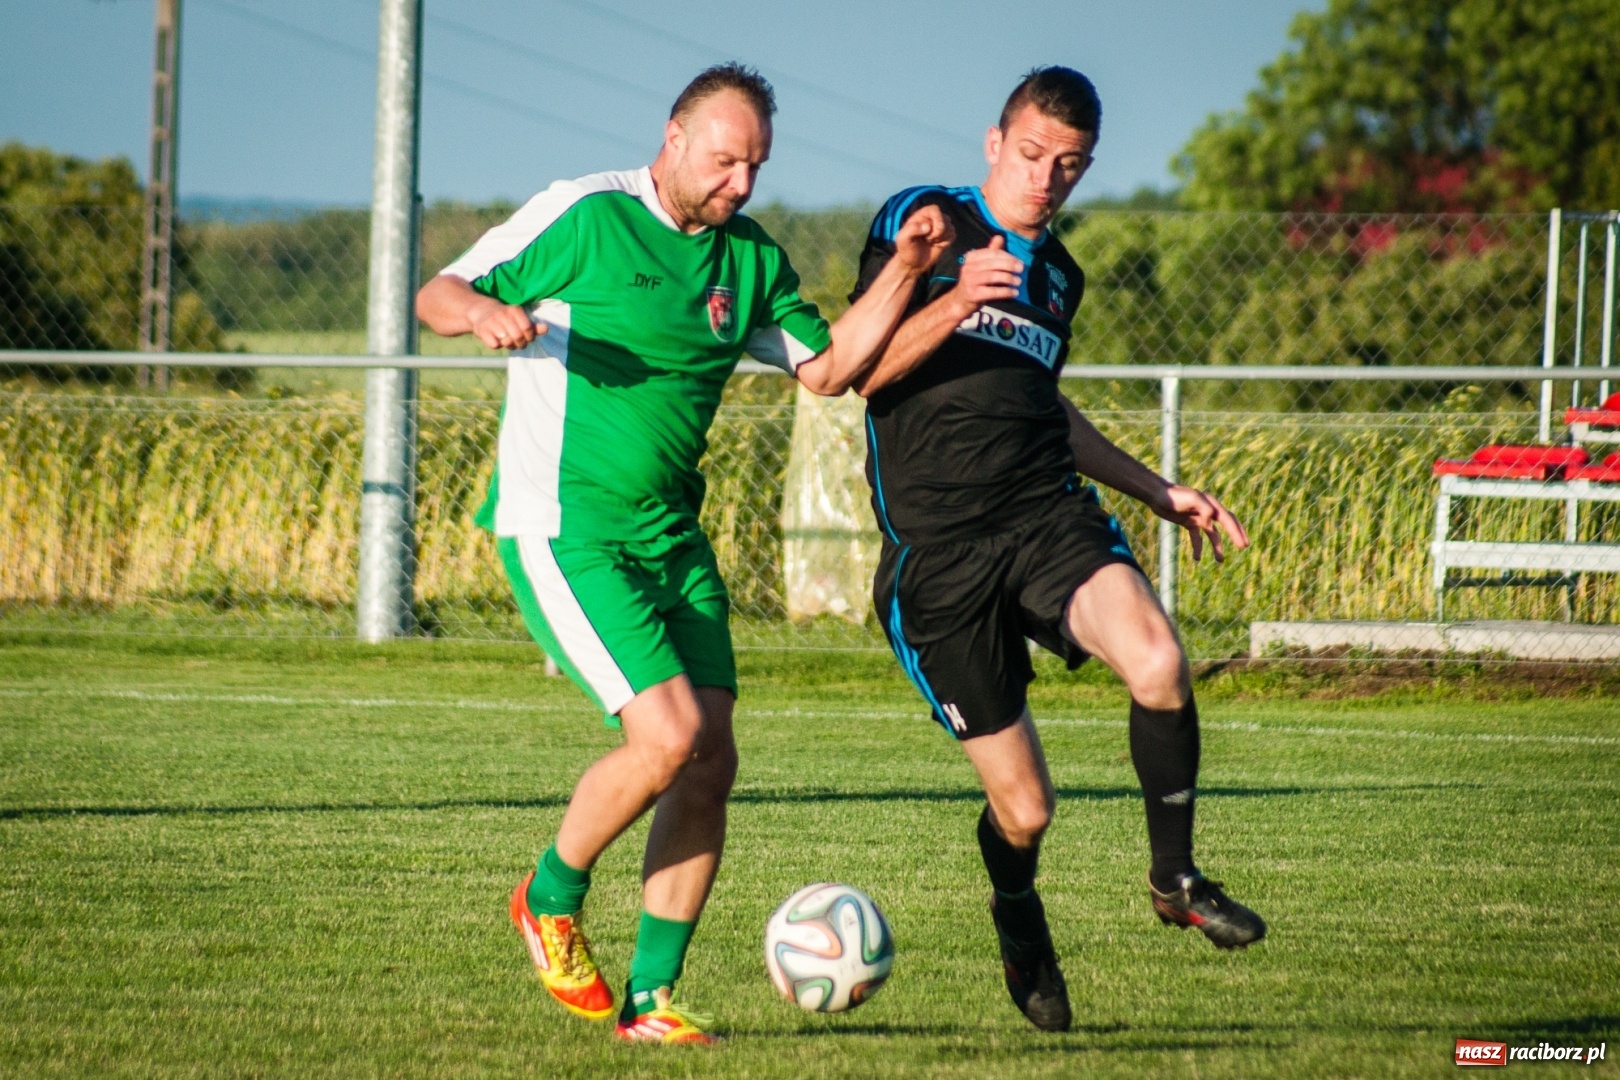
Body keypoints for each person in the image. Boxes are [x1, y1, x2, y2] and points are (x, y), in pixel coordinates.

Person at [417, 63, 950, 1045]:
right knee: (662, 739)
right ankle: (547, 897)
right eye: (724, 160)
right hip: (566, 528)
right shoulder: (582, 216)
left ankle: (651, 1002)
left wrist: (913, 275)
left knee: (708, 761)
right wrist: (483, 313)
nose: (739, 183)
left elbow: (831, 369)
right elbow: (439, 292)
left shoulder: (748, 262)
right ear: (672, 137)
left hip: (674, 540)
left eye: (755, 167)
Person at [847, 66, 1266, 1034]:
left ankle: (1176, 877)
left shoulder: (1061, 276)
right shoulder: (925, 221)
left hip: (1046, 515)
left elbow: (1045, 404)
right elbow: (859, 372)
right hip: (938, 559)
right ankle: (1018, 914)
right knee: (1026, 811)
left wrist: (1158, 491)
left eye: (1069, 166)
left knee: (1159, 660)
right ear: (995, 144)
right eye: (1032, 156)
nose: (1047, 180)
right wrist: (949, 298)